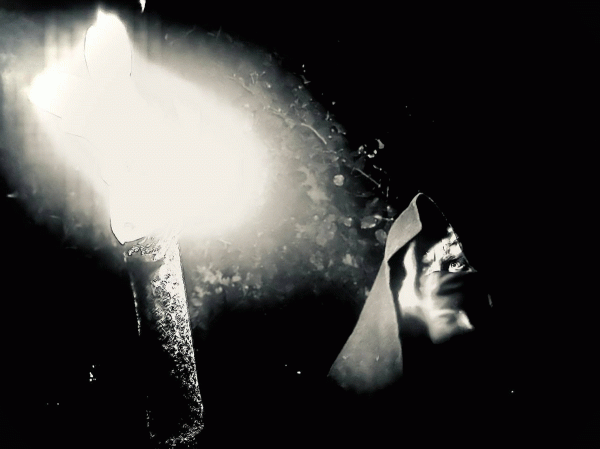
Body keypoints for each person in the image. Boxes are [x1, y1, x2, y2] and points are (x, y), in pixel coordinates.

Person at [326, 193, 500, 443]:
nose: (449, 281)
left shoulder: (478, 397)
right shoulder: (344, 400)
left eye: (459, 269)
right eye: (428, 264)